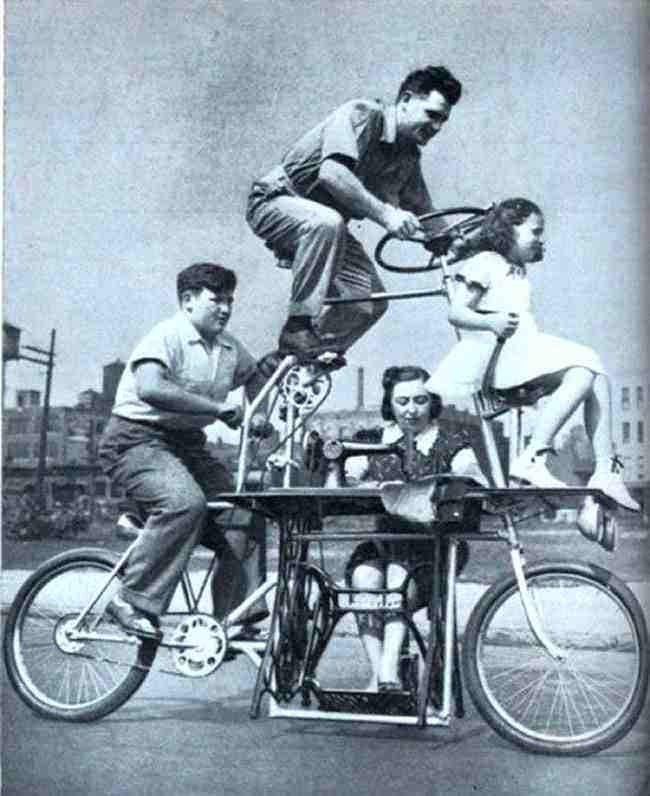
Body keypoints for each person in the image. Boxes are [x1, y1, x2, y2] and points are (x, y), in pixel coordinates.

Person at [425, 198, 639, 512]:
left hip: (519, 352)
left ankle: (605, 469)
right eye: (535, 232)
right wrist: (490, 321)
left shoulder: (516, 268)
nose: (540, 239)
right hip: (498, 358)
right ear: (508, 229)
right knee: (587, 361)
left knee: (594, 375)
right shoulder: (486, 262)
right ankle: (534, 457)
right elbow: (456, 312)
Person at [98, 262, 271, 640]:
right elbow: (150, 387)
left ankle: (234, 618)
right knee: (184, 503)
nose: (225, 309)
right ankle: (131, 601)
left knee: (243, 513)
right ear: (188, 301)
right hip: (135, 440)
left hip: (187, 445)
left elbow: (255, 375)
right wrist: (216, 409)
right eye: (216, 300)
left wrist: (258, 414)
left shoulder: (228, 347)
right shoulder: (167, 335)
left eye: (230, 301)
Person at [246, 65, 463, 359]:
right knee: (327, 222)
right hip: (276, 201)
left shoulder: (408, 155)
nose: (437, 127)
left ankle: (299, 363)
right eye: (432, 115)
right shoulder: (362, 114)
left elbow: (426, 210)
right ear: (406, 100)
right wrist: (388, 215)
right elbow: (332, 174)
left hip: (325, 229)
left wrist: (464, 241)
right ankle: (298, 326)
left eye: (443, 121)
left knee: (368, 302)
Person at [345, 365, 486, 691]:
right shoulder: (374, 441)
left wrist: (463, 475)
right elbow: (350, 474)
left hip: (434, 549)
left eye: (420, 400)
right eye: (403, 401)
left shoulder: (452, 443)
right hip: (383, 544)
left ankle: (388, 673)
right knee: (363, 577)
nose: (411, 409)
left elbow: (472, 481)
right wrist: (352, 471)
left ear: (432, 401)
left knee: (398, 573)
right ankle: (379, 670)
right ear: (390, 404)